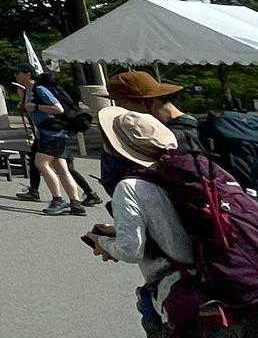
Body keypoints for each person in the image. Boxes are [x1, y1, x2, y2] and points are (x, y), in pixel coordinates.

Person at [84, 107, 251, 338]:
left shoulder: (130, 187)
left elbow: (130, 250)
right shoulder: (195, 171)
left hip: (187, 298)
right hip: (236, 285)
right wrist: (116, 229)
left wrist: (102, 242)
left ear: (115, 148)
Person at [17, 69, 101, 206]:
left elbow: (58, 109)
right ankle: (74, 202)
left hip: (54, 133)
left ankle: (62, 199)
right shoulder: (28, 91)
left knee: (48, 164)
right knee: (52, 165)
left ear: (28, 74)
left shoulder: (40, 89)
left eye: (19, 73)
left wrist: (35, 106)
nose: (16, 76)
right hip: (46, 132)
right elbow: (31, 112)